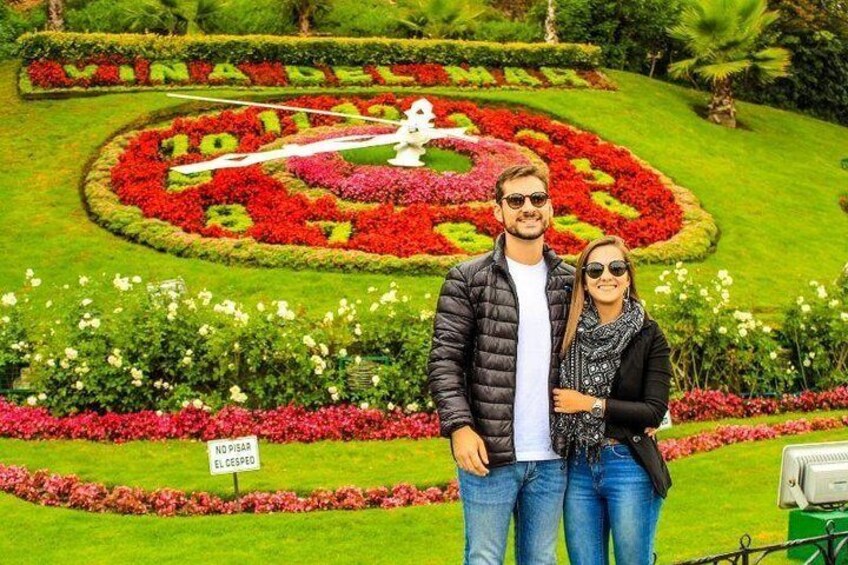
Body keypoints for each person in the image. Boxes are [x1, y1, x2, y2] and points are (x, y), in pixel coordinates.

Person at [428, 164, 575, 564]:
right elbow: (444, 361)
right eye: (516, 200)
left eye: (537, 199)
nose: (528, 208)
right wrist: (459, 427)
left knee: (541, 559)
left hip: (552, 456)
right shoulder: (468, 278)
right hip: (489, 454)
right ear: (499, 211)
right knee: (484, 558)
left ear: (550, 208)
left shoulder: (571, 281)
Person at [552, 235, 672, 565]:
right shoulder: (566, 332)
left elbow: (653, 410)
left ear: (628, 277)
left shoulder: (649, 334)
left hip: (627, 464)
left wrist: (589, 403)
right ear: (584, 282)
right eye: (595, 270)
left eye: (616, 267)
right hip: (577, 465)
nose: (606, 276)